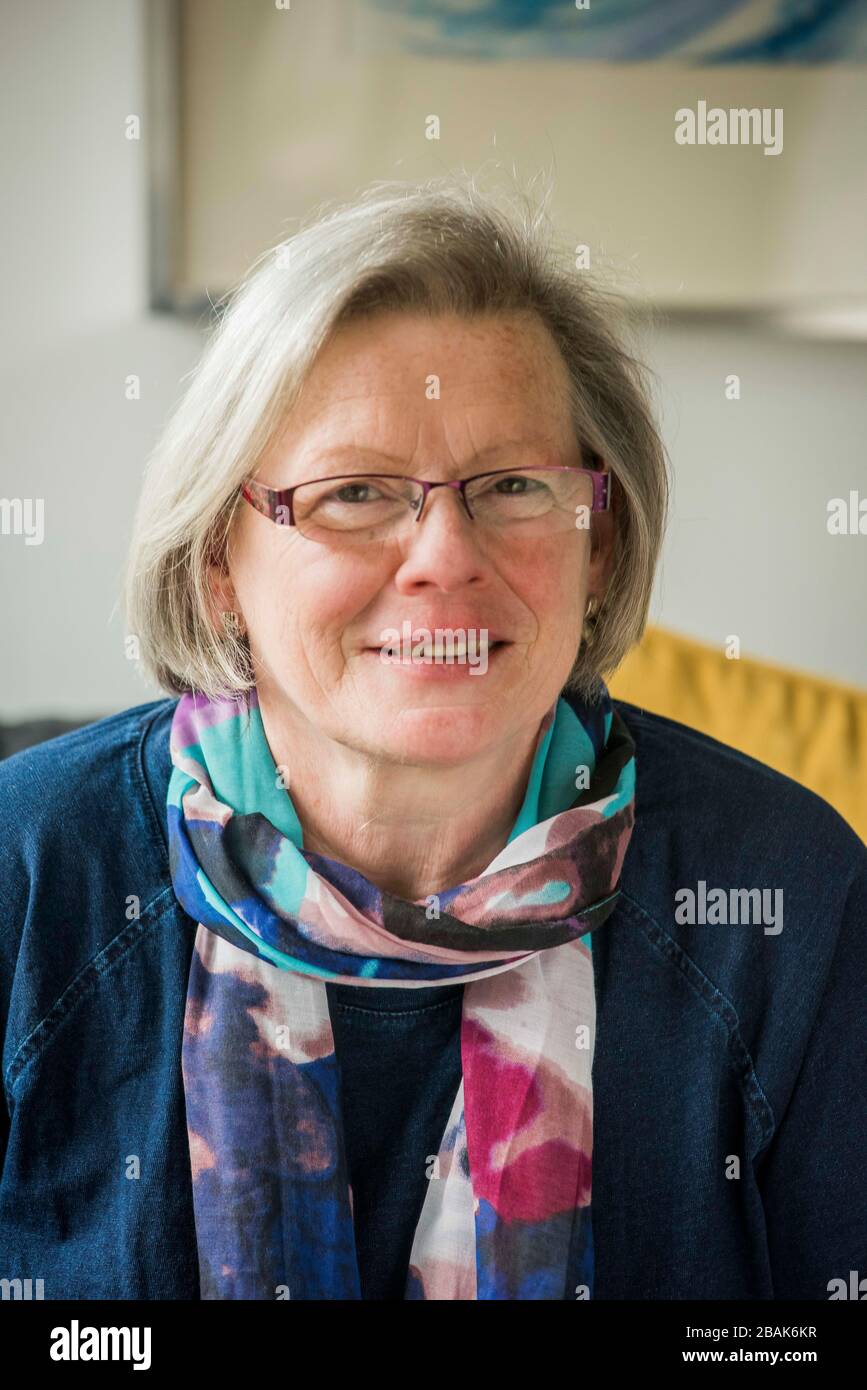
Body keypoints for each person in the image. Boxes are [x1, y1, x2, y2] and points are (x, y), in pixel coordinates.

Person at [0, 177, 864, 1301]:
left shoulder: (785, 894)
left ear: (598, 547)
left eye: (512, 485)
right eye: (356, 492)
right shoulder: (30, 871)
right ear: (219, 562)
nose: (444, 555)